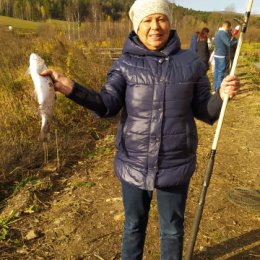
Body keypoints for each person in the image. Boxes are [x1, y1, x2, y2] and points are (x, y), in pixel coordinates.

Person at [41, 0, 240, 259]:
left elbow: (205, 111)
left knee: (172, 230)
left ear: (170, 22)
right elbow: (107, 105)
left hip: (175, 163)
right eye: (147, 20)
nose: (155, 26)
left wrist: (221, 95)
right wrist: (71, 88)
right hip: (133, 163)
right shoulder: (124, 64)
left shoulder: (191, 62)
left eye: (161, 19)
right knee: (133, 227)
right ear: (137, 26)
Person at [213, 21, 238, 92]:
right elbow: (229, 43)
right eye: (229, 28)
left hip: (217, 55)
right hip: (222, 56)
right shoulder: (223, 33)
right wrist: (238, 41)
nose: (230, 29)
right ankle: (218, 89)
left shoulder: (217, 32)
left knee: (217, 72)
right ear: (227, 26)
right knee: (221, 72)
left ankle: (215, 87)